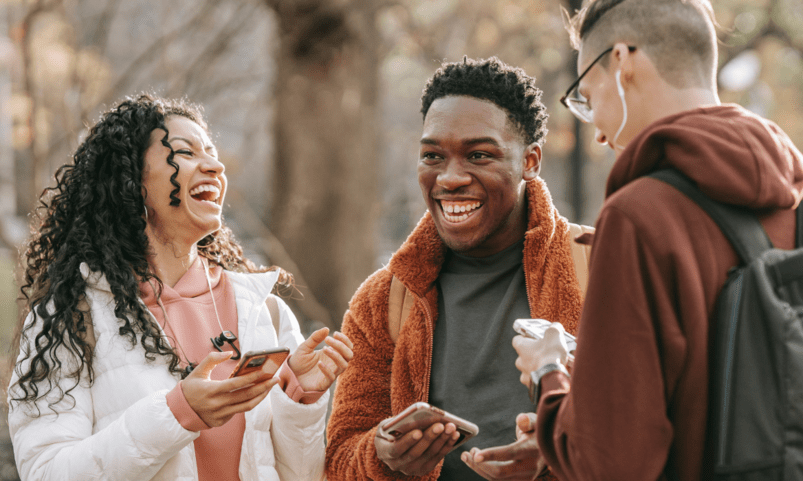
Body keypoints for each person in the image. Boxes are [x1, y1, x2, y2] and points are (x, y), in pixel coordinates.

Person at [513, 0, 803, 479]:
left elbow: (611, 464)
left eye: (586, 96)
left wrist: (550, 373)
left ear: (621, 61)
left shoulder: (637, 218)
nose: (598, 135)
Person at [7, 94, 353, 481]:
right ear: (131, 182)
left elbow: (301, 474)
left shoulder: (264, 311)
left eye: (212, 154)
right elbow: (46, 471)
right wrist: (176, 414)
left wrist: (300, 398)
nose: (216, 166)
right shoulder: (71, 317)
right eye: (185, 153)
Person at [326, 57, 591, 481]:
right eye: (432, 155)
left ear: (530, 161)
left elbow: (662, 423)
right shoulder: (384, 300)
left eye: (479, 155)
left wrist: (563, 450)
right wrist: (382, 456)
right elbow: (340, 458)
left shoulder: (601, 266)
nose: (449, 178)